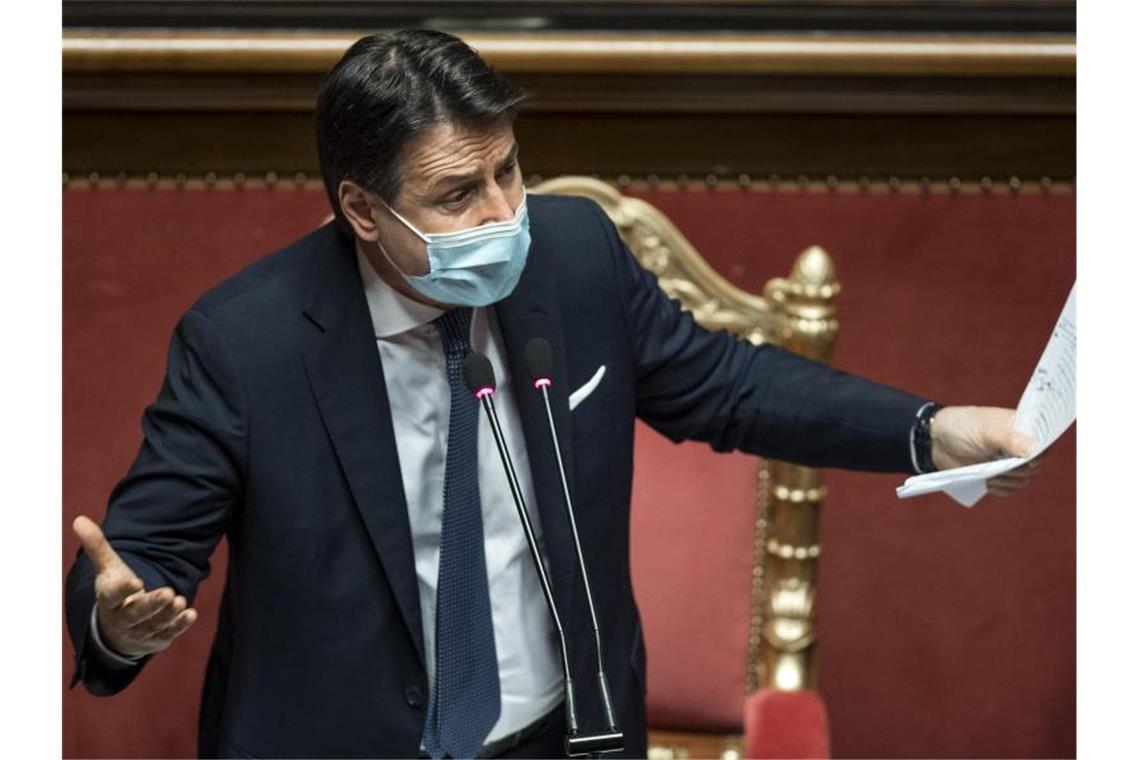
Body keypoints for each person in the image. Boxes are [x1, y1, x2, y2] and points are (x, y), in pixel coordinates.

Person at [64, 29, 1047, 760]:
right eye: (458, 195)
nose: (501, 214)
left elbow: (726, 384)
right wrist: (119, 617)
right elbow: (142, 554)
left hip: (561, 733)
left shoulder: (571, 256)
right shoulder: (247, 343)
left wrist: (932, 430)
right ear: (362, 208)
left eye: (508, 172)